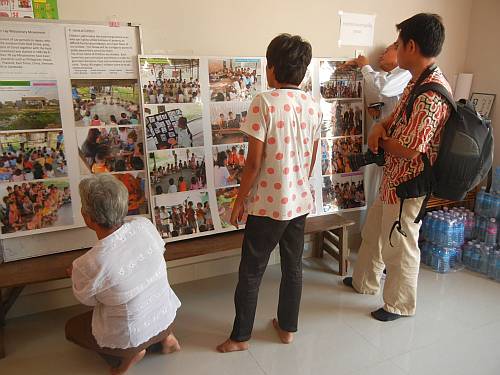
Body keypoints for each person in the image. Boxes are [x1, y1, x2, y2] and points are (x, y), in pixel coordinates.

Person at [343, 13, 452, 321]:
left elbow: (408, 148)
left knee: (400, 244)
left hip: (409, 184)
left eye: (398, 43)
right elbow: (394, 118)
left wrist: (380, 143)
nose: (395, 49)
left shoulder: (432, 94)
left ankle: (400, 304)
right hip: (393, 179)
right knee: (375, 231)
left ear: (411, 46)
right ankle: (365, 281)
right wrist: (380, 129)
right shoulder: (418, 82)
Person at [217, 34, 320, 353]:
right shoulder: (313, 106)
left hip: (267, 206)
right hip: (299, 202)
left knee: (251, 270)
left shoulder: (264, 101)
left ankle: (240, 337)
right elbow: (311, 158)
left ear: (272, 68)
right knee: (293, 266)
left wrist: (239, 200)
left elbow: (253, 163)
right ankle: (288, 328)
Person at [65, 175, 181, 375]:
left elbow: (89, 301)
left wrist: (76, 276)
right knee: (148, 290)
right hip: (166, 315)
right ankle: (167, 338)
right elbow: (158, 253)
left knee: (72, 328)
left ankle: (128, 358)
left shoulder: (89, 263)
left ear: (88, 218)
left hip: (132, 335)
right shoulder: (144, 226)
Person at [346, 43, 412, 208]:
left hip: (392, 148)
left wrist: (365, 66)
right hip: (379, 145)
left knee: (380, 198)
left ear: (400, 51)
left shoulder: (405, 74)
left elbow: (382, 88)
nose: (381, 55)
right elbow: (377, 97)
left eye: (386, 51)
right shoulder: (386, 77)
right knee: (372, 195)